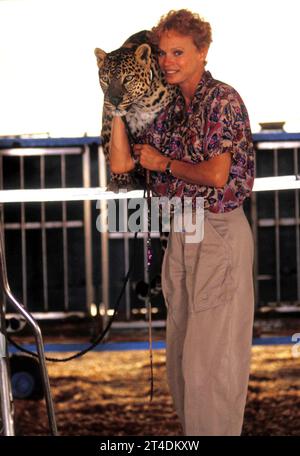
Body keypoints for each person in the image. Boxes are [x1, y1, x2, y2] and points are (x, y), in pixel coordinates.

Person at [110, 9, 255, 436]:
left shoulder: (221, 99)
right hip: (181, 232)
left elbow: (215, 175)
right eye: (162, 52)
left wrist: (164, 164)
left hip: (218, 229)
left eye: (178, 51)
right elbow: (121, 163)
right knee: (182, 364)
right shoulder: (170, 108)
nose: (168, 60)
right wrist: (115, 100)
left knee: (211, 365)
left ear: (202, 52)